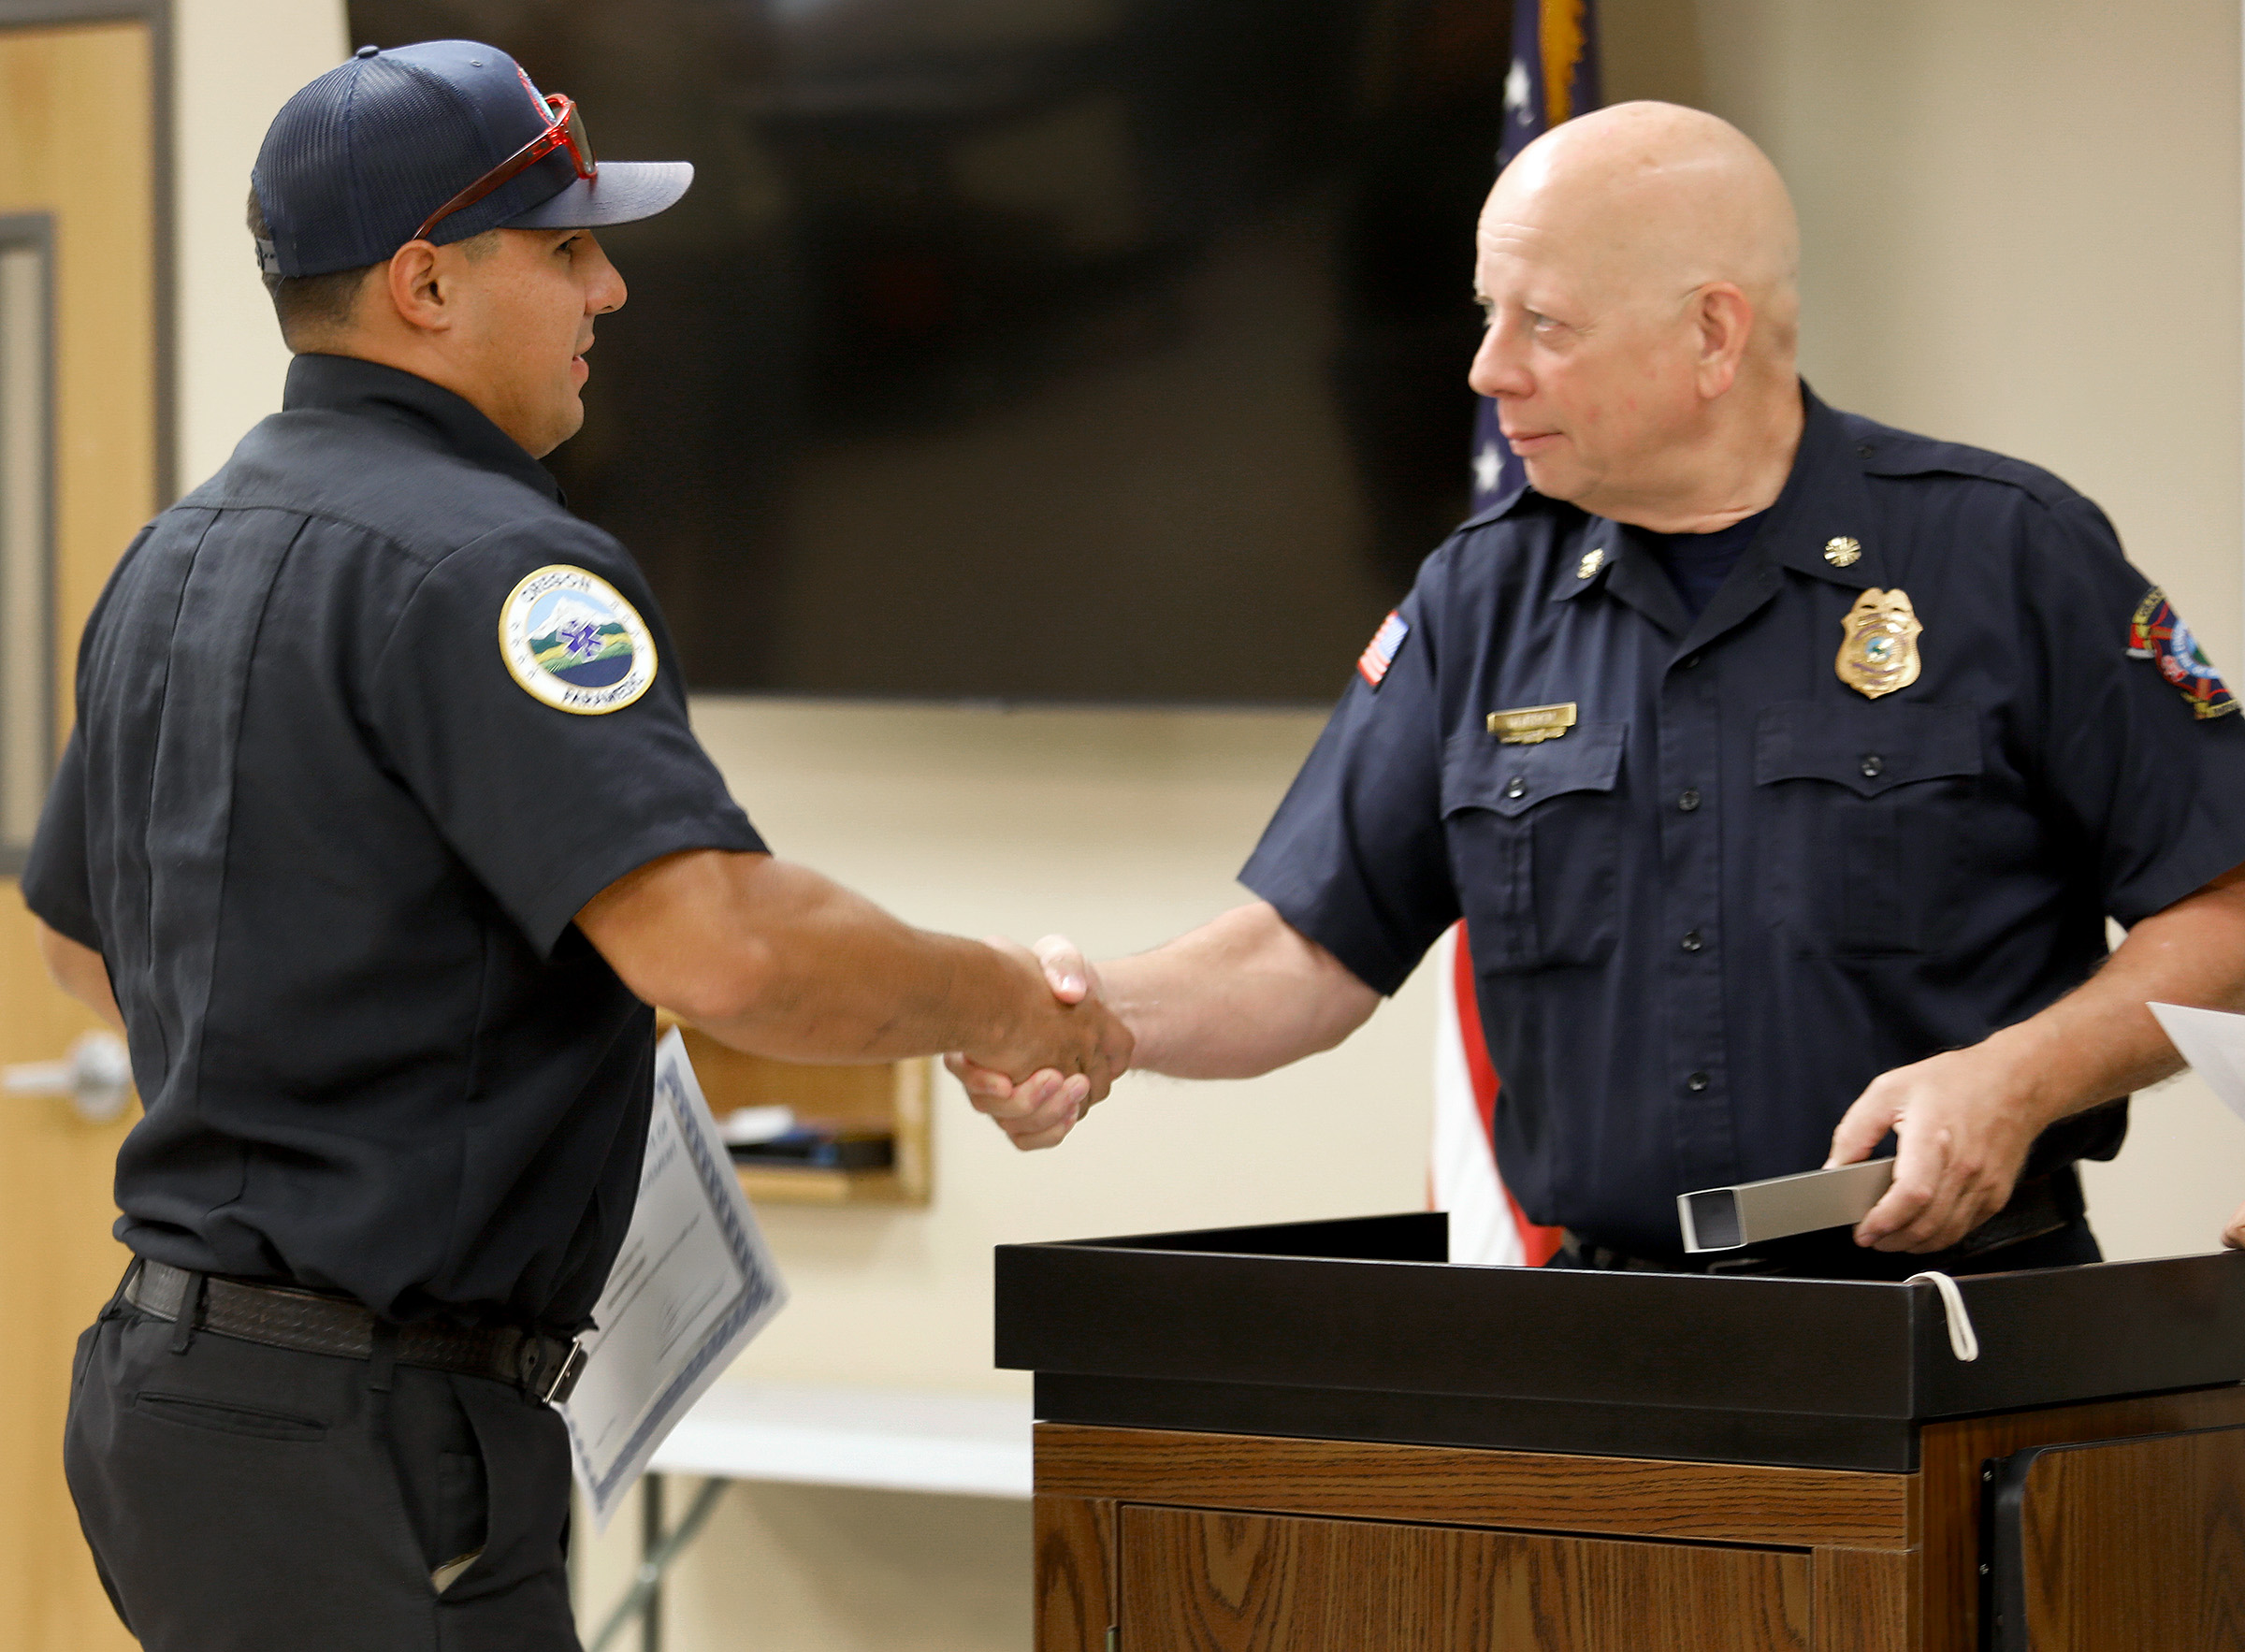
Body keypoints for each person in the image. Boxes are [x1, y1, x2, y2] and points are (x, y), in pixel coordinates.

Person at [25, 40, 1127, 1652]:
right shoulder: (494, 563)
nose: (609, 290)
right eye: (564, 247)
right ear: (425, 284)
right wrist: (1007, 1003)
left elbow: (76, 946)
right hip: (368, 1437)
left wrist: (352, 1079)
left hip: (175, 1403)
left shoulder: (172, 558)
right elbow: (728, 947)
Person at [956, 100, 2245, 1278]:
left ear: (1711, 333)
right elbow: (1302, 951)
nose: (1487, 369)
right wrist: (1085, 1013)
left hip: (1948, 1318)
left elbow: (2226, 913)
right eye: (1485, 312)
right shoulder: (1482, 597)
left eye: (1545, 324)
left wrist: (2015, 1078)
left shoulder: (2003, 552)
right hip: (1613, 1344)